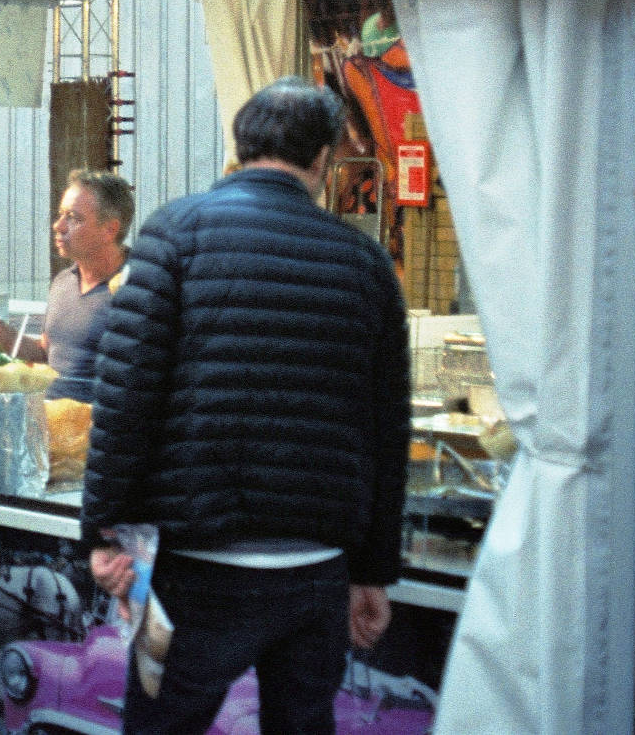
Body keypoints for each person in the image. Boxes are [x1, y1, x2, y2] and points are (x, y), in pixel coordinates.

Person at [80, 78, 410, 735]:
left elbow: (125, 400)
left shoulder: (174, 234)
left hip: (194, 579)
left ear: (241, 145)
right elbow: (386, 429)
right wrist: (372, 573)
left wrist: (104, 531)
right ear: (322, 160)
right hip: (316, 580)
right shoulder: (365, 262)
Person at [0, 168, 133, 402]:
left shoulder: (141, 285)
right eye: (61, 215)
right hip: (55, 427)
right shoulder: (63, 282)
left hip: (109, 431)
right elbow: (44, 354)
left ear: (110, 229)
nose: (58, 226)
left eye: (73, 218)